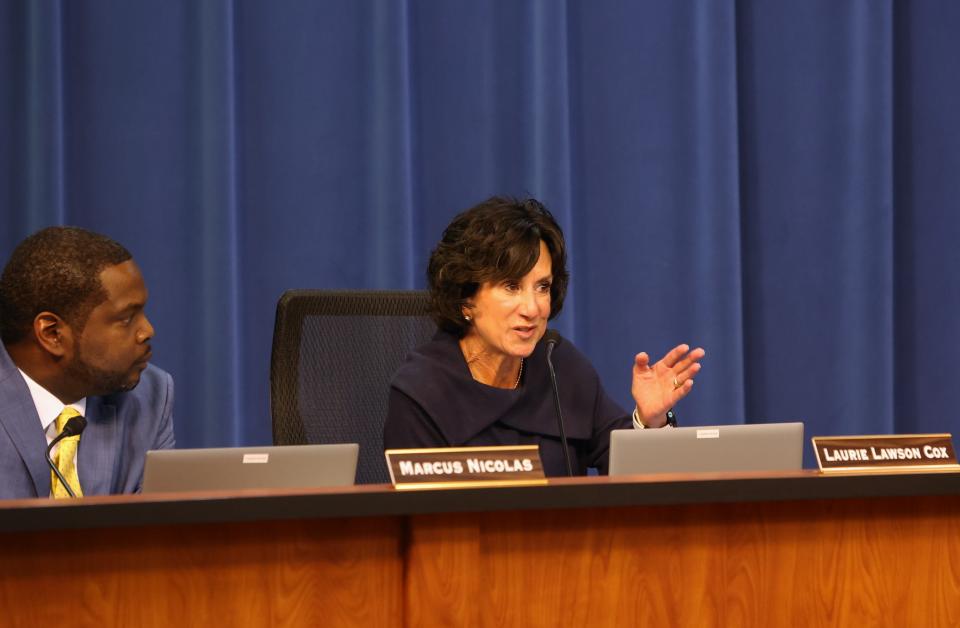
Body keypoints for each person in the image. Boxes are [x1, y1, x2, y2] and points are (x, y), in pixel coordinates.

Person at [384, 196, 704, 476]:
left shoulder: (559, 367)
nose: (532, 308)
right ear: (466, 297)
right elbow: (419, 524)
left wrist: (650, 422)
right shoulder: (423, 391)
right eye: (511, 286)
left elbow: (634, 483)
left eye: (543, 287)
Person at [0, 226, 174, 499]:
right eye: (126, 318)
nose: (147, 330)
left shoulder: (151, 395)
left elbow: (157, 531)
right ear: (52, 334)